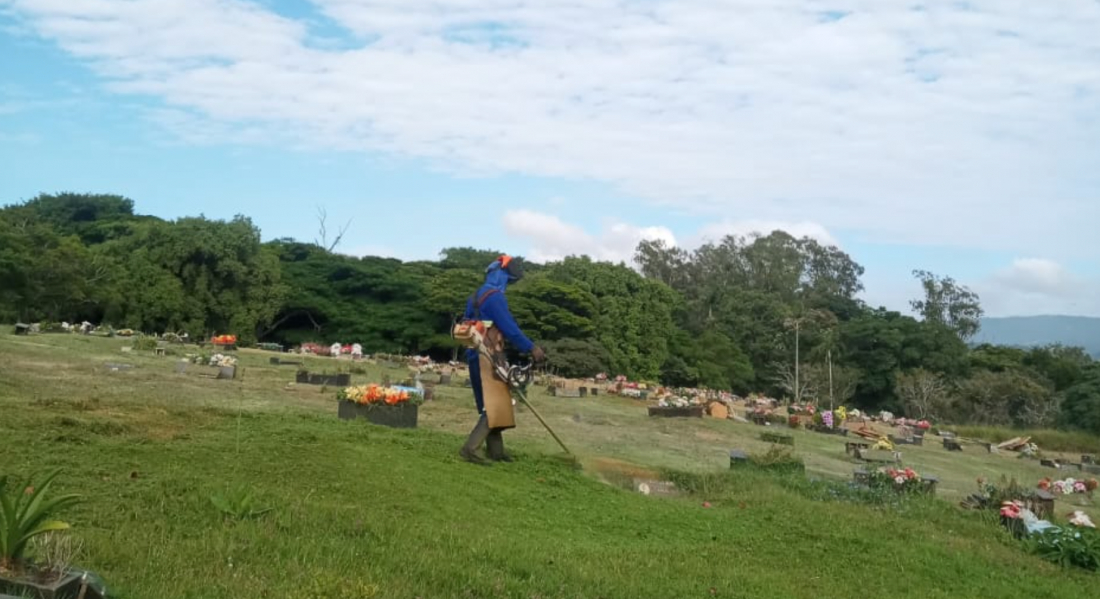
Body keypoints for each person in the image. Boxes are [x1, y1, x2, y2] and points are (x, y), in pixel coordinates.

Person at [460, 255, 545, 464]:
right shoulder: (494, 297)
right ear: (502, 276)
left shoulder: (475, 297)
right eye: (509, 279)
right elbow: (509, 328)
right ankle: (470, 448)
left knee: (488, 404)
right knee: (496, 403)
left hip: (473, 352)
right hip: (489, 355)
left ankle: (496, 451)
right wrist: (531, 348)